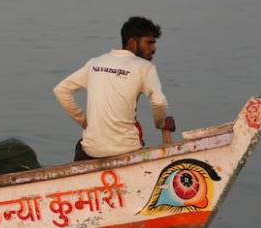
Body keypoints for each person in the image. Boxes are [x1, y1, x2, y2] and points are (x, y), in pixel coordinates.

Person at [53, 16, 175, 161]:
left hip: (92, 150)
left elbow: (61, 90)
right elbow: (159, 102)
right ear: (132, 42)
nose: (153, 48)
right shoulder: (145, 68)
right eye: (149, 43)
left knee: (81, 146)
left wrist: (84, 122)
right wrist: (161, 123)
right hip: (127, 149)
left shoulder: (95, 63)